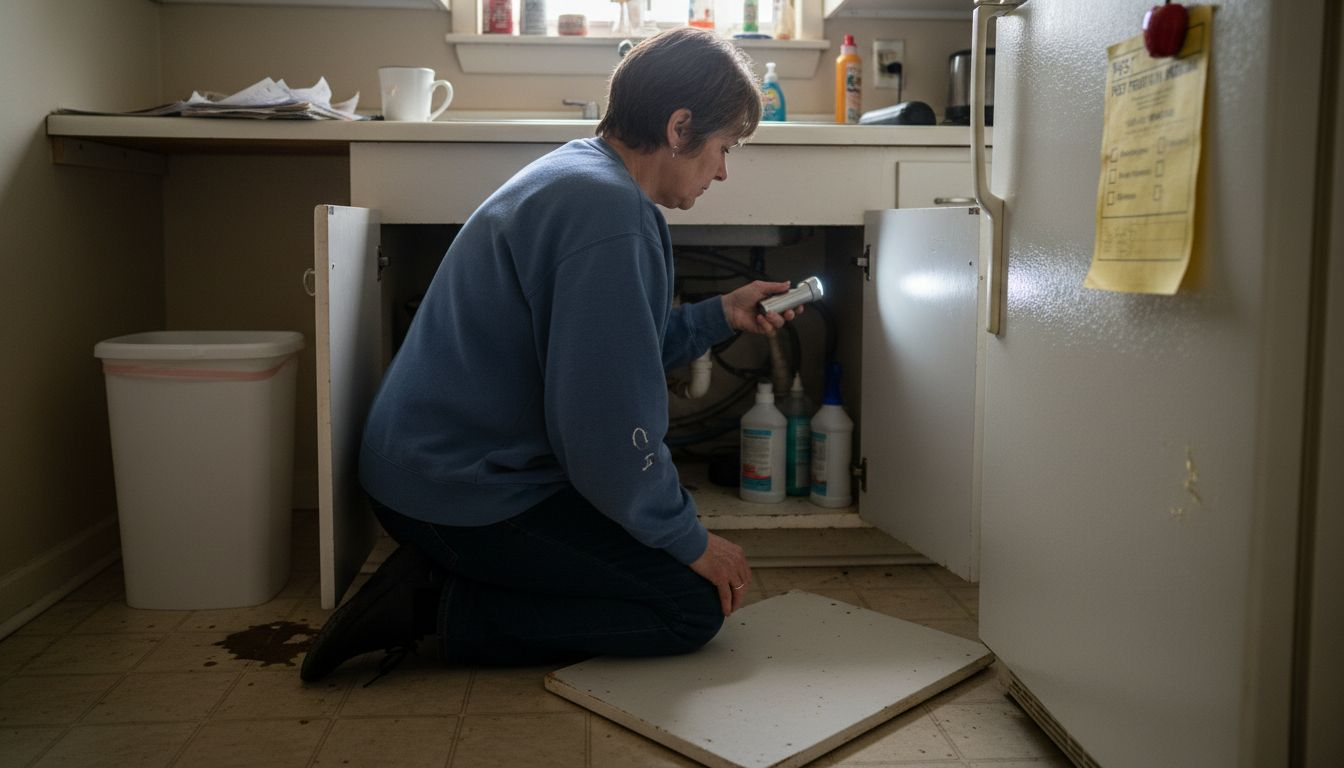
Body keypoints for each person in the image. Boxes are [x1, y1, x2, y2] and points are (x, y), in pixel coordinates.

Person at [301, 27, 803, 682]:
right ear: (680, 127)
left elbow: (613, 354)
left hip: (431, 467)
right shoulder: (609, 214)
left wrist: (718, 315)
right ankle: (433, 605)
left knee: (654, 522)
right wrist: (692, 542)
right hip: (458, 488)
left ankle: (452, 574)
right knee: (688, 606)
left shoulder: (583, 176)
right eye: (723, 147)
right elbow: (603, 434)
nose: (724, 170)